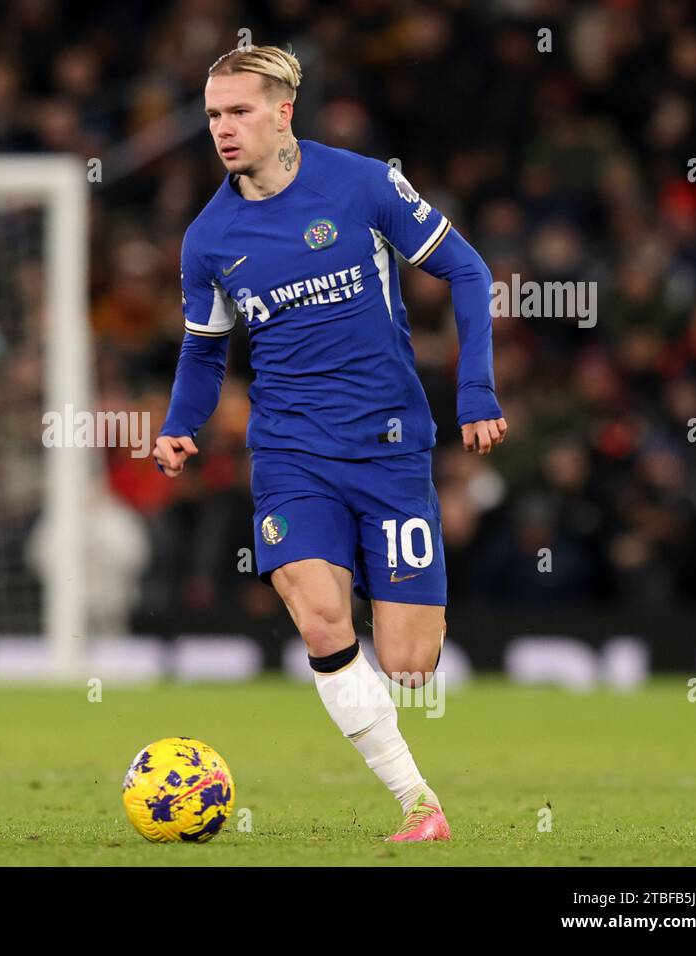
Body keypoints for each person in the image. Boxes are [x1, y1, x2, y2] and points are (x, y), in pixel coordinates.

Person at [153, 45, 508, 842]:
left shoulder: (364, 183)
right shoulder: (209, 238)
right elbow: (205, 349)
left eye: (239, 110)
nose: (223, 128)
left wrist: (477, 391)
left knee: (410, 660)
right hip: (290, 451)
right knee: (319, 618)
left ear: (284, 112)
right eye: (212, 114)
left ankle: (394, 666)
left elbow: (469, 271)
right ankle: (421, 804)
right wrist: (181, 425)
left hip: (390, 446)